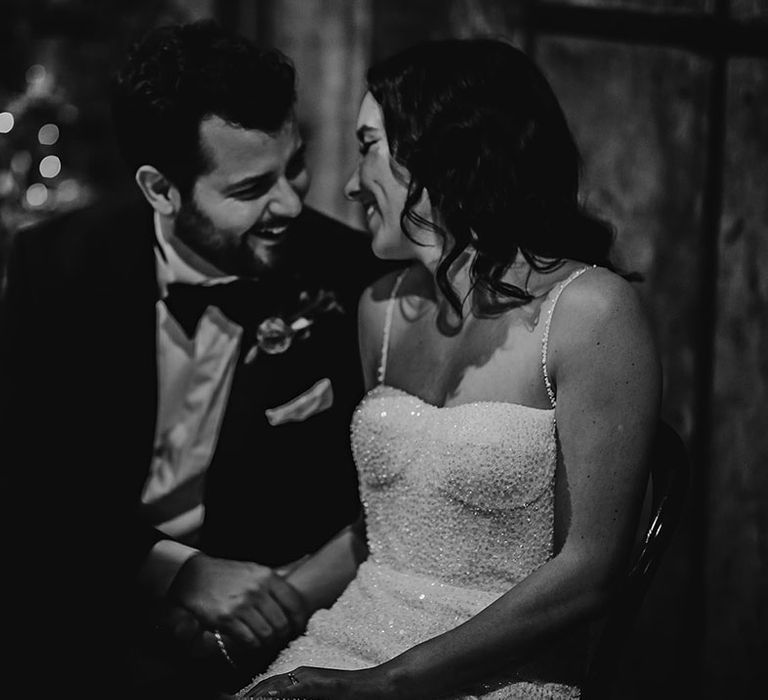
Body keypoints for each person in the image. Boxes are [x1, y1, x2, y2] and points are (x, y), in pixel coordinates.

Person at [236, 37, 661, 700]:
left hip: (505, 662)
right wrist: (259, 613)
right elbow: (387, 524)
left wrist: (385, 683)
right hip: (353, 630)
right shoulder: (379, 309)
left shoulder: (591, 312)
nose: (351, 184)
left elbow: (591, 572)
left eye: (369, 145)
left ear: (441, 150)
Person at [0, 20, 390, 700]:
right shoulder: (57, 267)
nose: (291, 204)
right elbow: (26, 481)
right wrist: (173, 571)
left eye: (292, 167)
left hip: (261, 635)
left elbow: (370, 493)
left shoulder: (346, 274)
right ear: (160, 189)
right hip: (78, 610)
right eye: (249, 189)